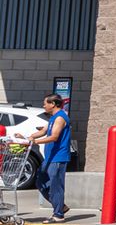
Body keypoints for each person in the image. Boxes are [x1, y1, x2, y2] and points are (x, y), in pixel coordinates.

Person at [16, 94, 72, 223]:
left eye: (45, 103)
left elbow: (54, 137)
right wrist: (26, 137)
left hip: (58, 157)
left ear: (53, 104)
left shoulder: (60, 118)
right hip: (50, 157)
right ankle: (60, 206)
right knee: (40, 182)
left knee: (55, 186)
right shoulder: (53, 118)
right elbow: (43, 132)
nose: (43, 105)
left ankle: (58, 214)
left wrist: (35, 142)